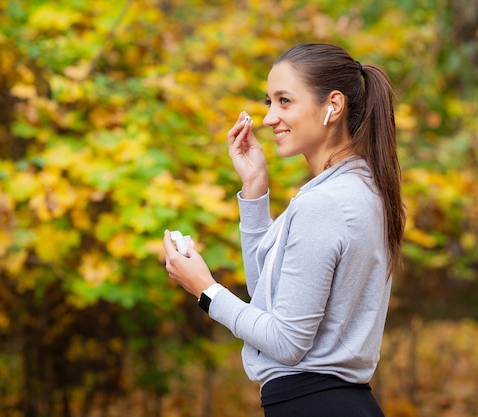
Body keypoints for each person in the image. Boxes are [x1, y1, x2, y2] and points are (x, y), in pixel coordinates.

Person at [163, 42, 405, 417]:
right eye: (268, 102)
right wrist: (255, 189)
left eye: (285, 101)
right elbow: (269, 303)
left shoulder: (325, 203)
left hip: (316, 405)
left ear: (333, 106)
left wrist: (205, 289)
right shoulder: (359, 188)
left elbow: (286, 341)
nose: (269, 117)